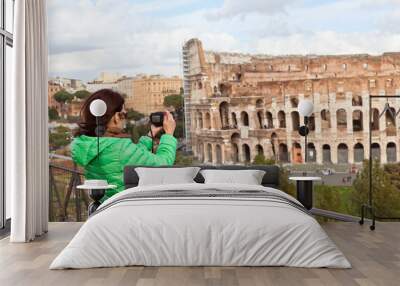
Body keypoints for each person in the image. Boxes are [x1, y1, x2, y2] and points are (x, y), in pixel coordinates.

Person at [71, 89, 177, 200]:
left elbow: (130, 156)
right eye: (124, 114)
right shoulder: (119, 148)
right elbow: (163, 164)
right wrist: (169, 134)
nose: (125, 119)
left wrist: (150, 135)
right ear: (117, 117)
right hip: (124, 207)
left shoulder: (87, 144)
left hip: (104, 206)